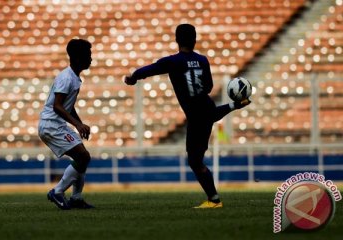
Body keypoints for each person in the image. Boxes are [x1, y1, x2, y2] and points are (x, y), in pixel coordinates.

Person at [125, 24, 250, 208]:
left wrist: (134, 77)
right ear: (195, 39)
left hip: (195, 115)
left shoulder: (172, 62)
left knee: (194, 160)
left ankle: (214, 200)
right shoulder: (203, 60)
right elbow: (208, 87)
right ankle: (234, 104)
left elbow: (150, 69)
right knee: (203, 135)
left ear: (177, 40)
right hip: (205, 106)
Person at [38, 38, 94, 210]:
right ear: (77, 58)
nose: (91, 59)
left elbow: (68, 106)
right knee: (83, 156)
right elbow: (57, 106)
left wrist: (80, 123)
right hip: (51, 125)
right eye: (88, 55)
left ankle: (76, 198)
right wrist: (77, 125)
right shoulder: (66, 78)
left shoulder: (74, 78)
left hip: (57, 125)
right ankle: (57, 192)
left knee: (82, 157)